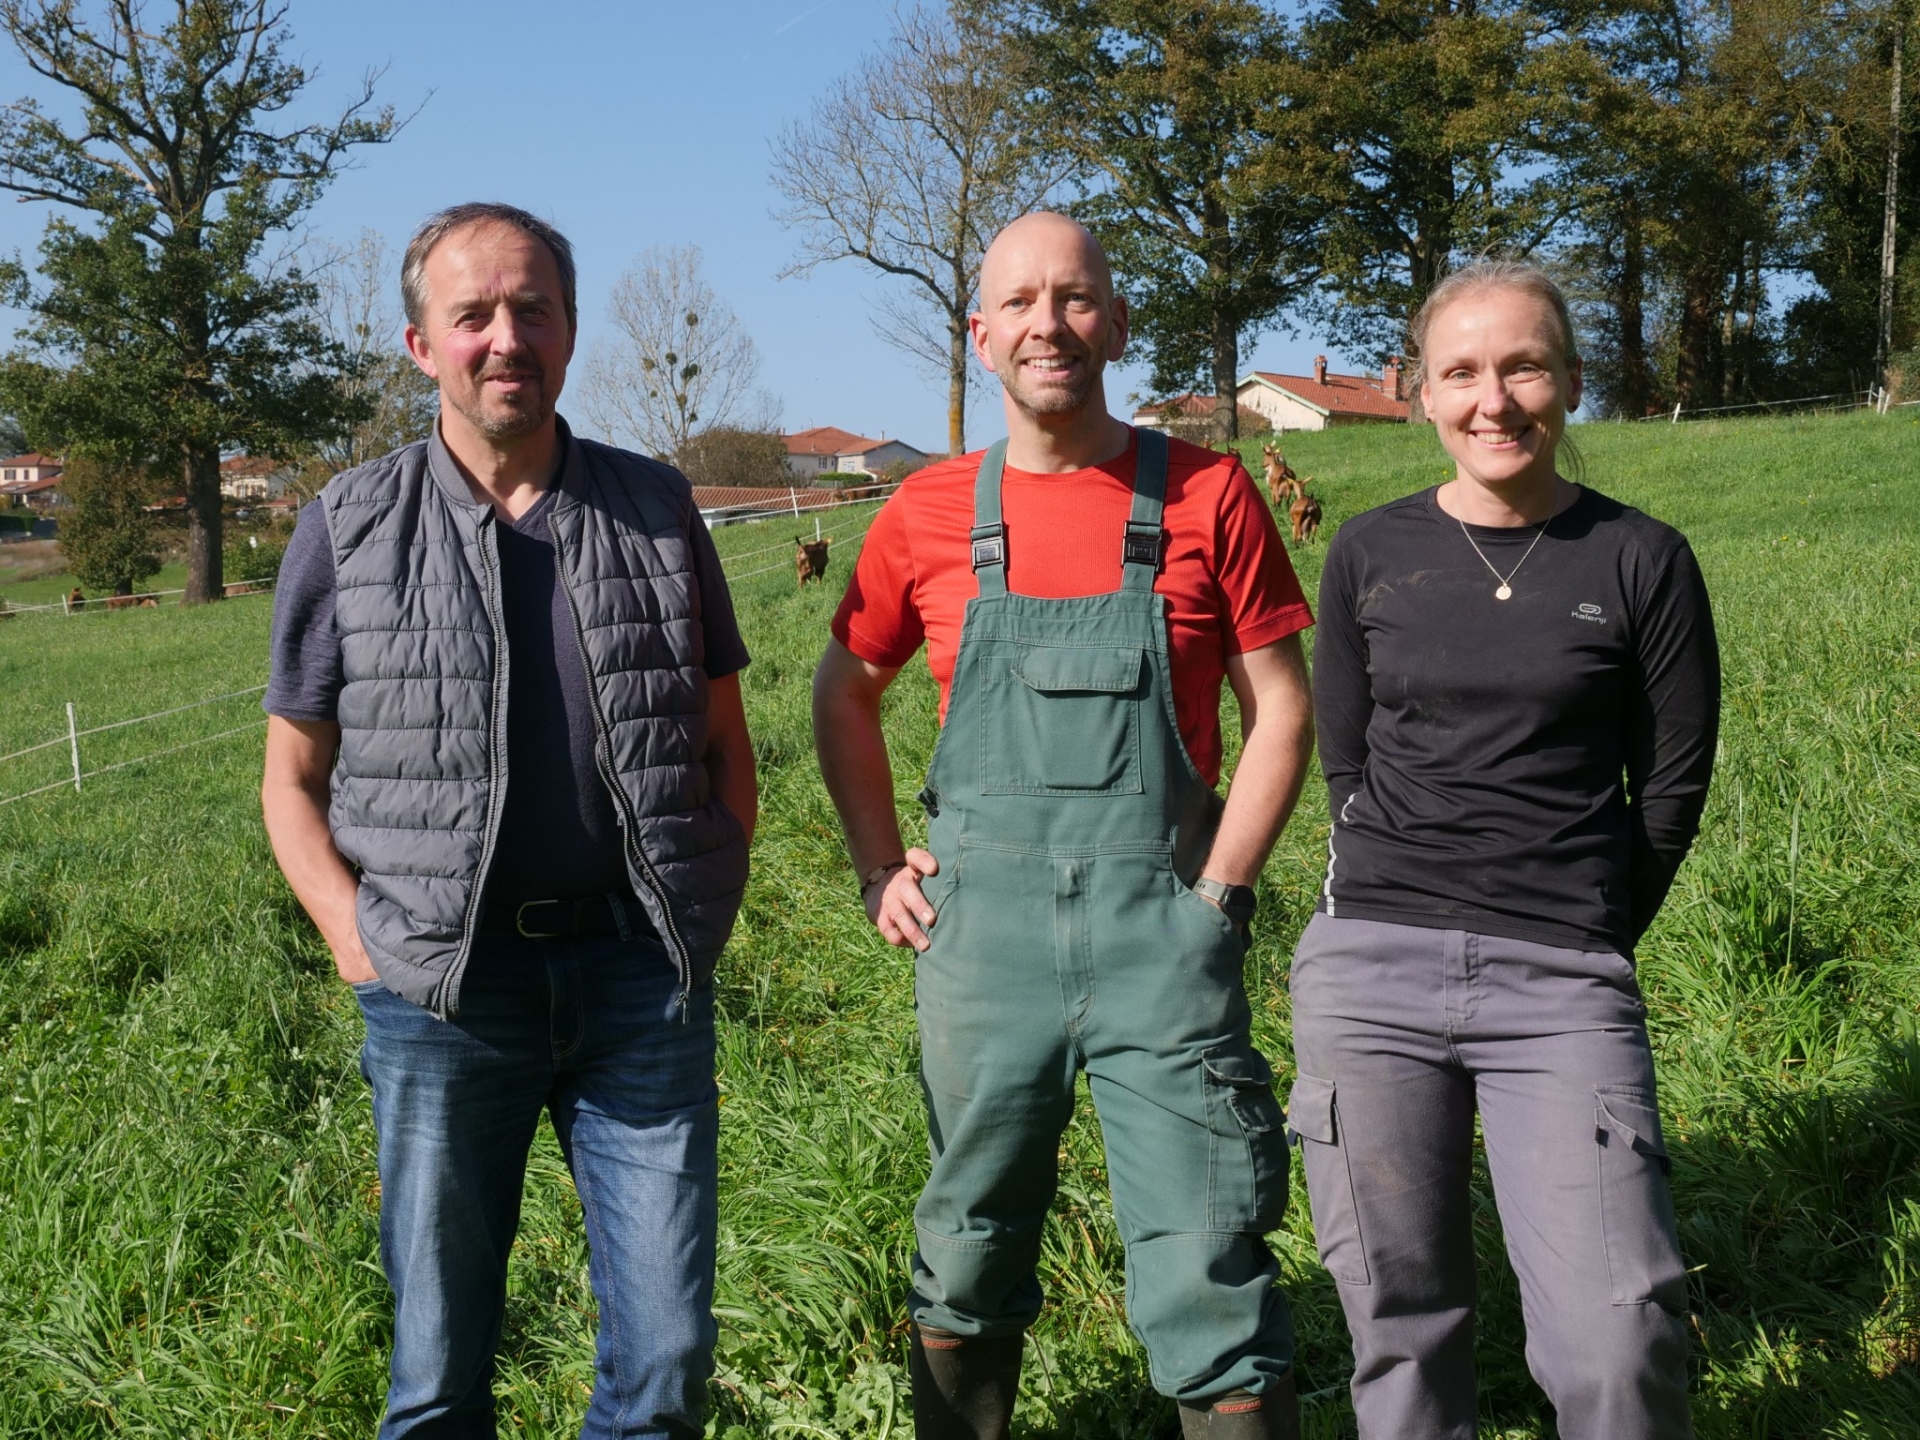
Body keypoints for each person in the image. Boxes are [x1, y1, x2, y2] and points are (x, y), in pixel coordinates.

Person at [813, 212, 1316, 1439]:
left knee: (1209, 1253)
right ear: (980, 335)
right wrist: (882, 864)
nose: (1052, 324)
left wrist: (1223, 897)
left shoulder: (1208, 493)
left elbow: (1285, 710)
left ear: (1117, 323)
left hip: (1166, 939)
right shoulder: (925, 514)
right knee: (969, 1237)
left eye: (1078, 298)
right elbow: (842, 688)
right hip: (983, 946)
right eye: (1023, 303)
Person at [259, 202, 756, 1439]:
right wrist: (352, 937)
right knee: (438, 1377)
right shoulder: (349, 526)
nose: (504, 338)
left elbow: (724, 743)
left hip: (637, 983)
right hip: (440, 990)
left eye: (531, 309)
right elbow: (289, 778)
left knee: (669, 1365)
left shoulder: (657, 509)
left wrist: (713, 895)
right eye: (471, 313)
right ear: (420, 344)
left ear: (572, 329)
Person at [1291, 260, 1719, 1439]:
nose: (1495, 398)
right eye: (1463, 372)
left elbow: (1671, 785)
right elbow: (1346, 767)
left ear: (1570, 382)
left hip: (1562, 983)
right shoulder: (1369, 554)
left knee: (1619, 1339)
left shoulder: (1642, 559)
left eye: (1523, 365)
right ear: (1420, 393)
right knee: (1400, 1330)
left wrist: (1584, 923)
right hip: (1371, 968)